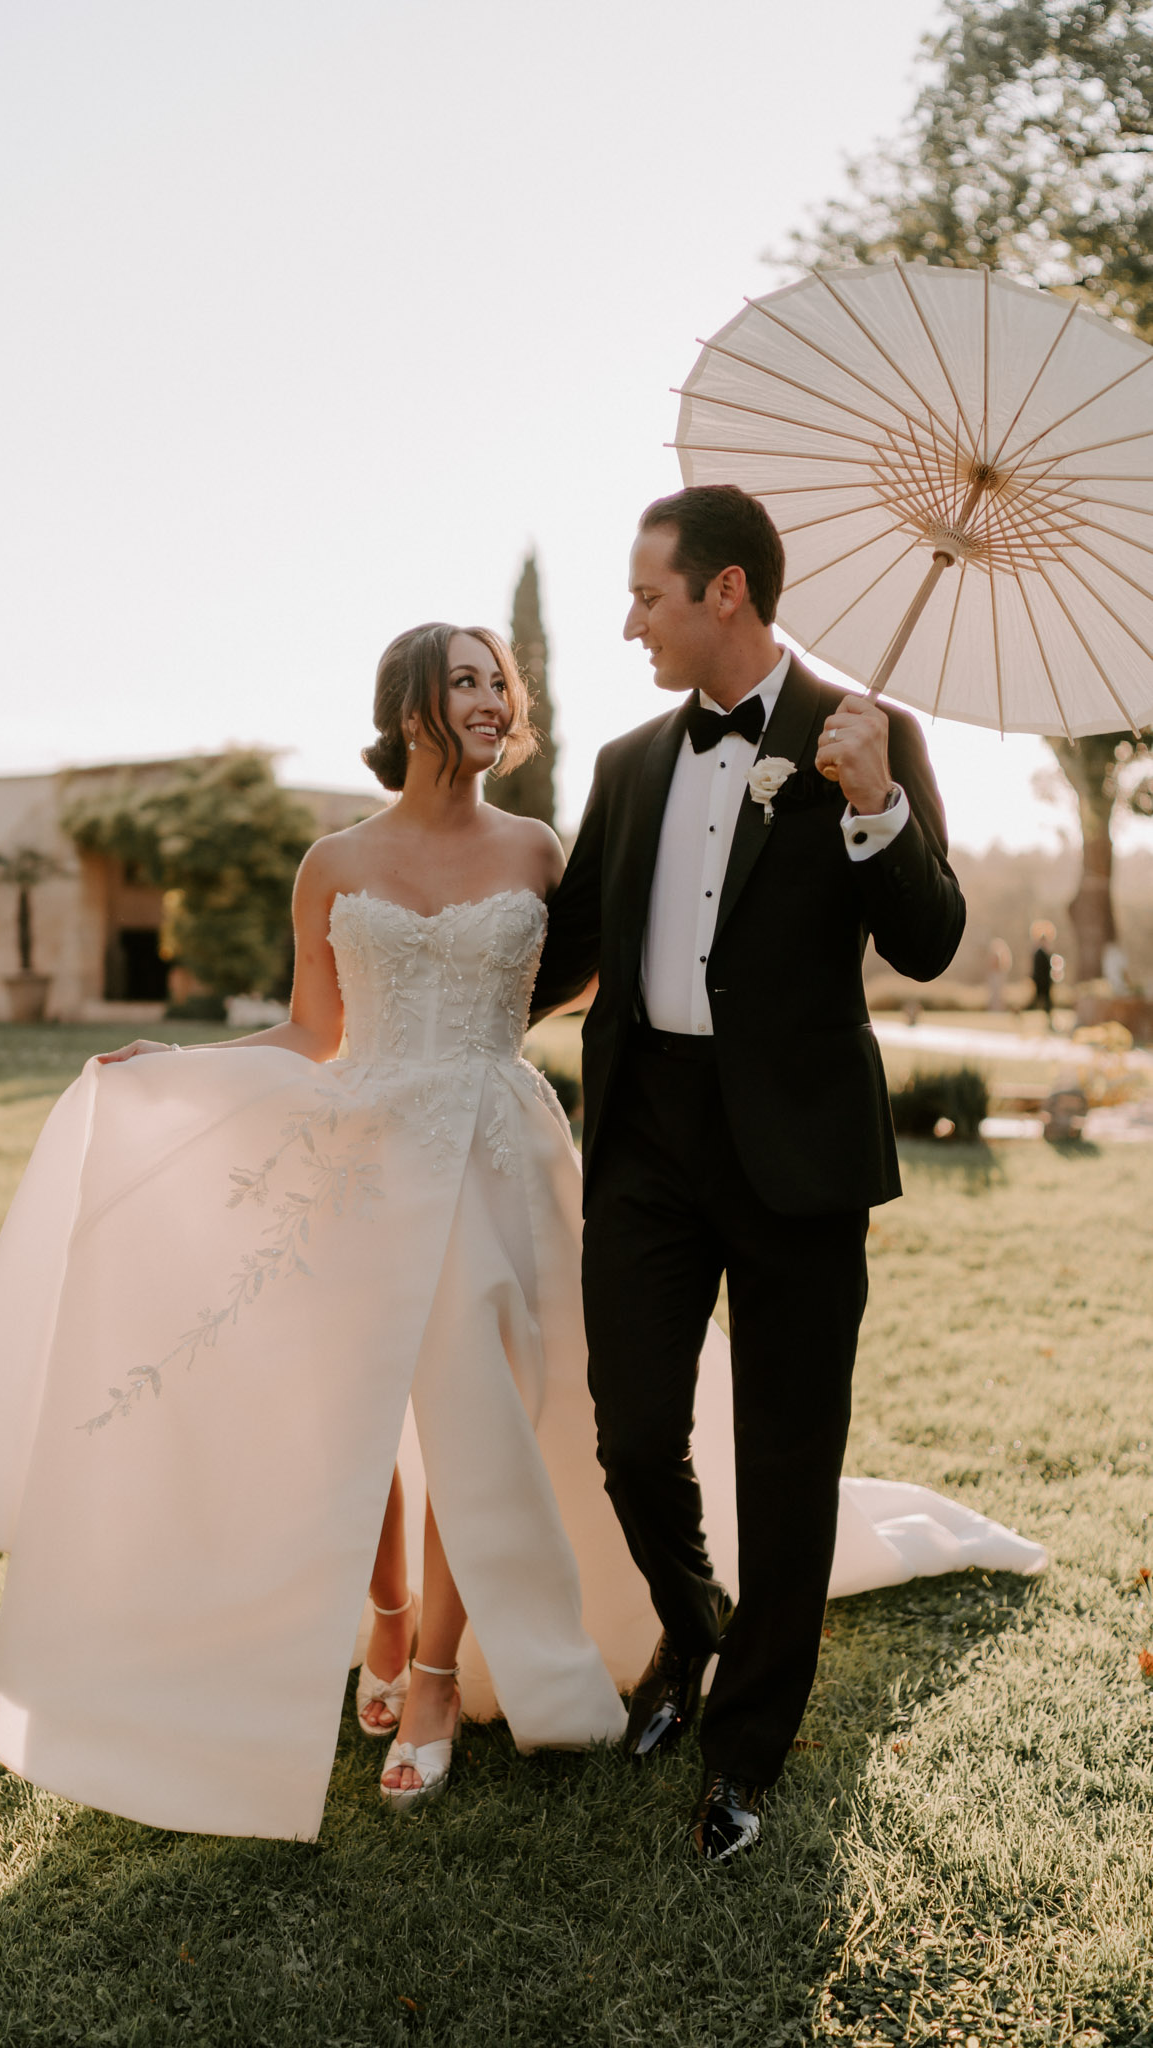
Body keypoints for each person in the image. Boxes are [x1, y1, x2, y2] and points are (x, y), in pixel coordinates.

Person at [0, 623, 637, 1837]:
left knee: (480, 1405)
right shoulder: (334, 859)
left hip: (501, 1148)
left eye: (503, 683)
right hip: (366, 1152)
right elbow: (310, 1028)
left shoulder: (541, 849)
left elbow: (583, 980)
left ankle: (438, 1675)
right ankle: (384, 1616)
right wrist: (177, 1069)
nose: (495, 700)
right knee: (356, 1395)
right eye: (467, 682)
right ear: (409, 709)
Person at [532, 485, 969, 1863]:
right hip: (649, 1140)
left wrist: (875, 799)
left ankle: (744, 1753)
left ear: (724, 591)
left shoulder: (868, 738)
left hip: (798, 1154)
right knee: (628, 1429)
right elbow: (557, 956)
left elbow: (933, 942)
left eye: (647, 596)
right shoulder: (625, 764)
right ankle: (692, 1622)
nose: (629, 622)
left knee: (791, 1462)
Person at [1030, 920, 1056, 1018]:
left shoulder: (1045, 952)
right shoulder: (1039, 953)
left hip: (1045, 980)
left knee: (1043, 1001)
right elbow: (1039, 969)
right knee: (1039, 1001)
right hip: (1042, 980)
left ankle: (1049, 1018)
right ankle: (1018, 1011)